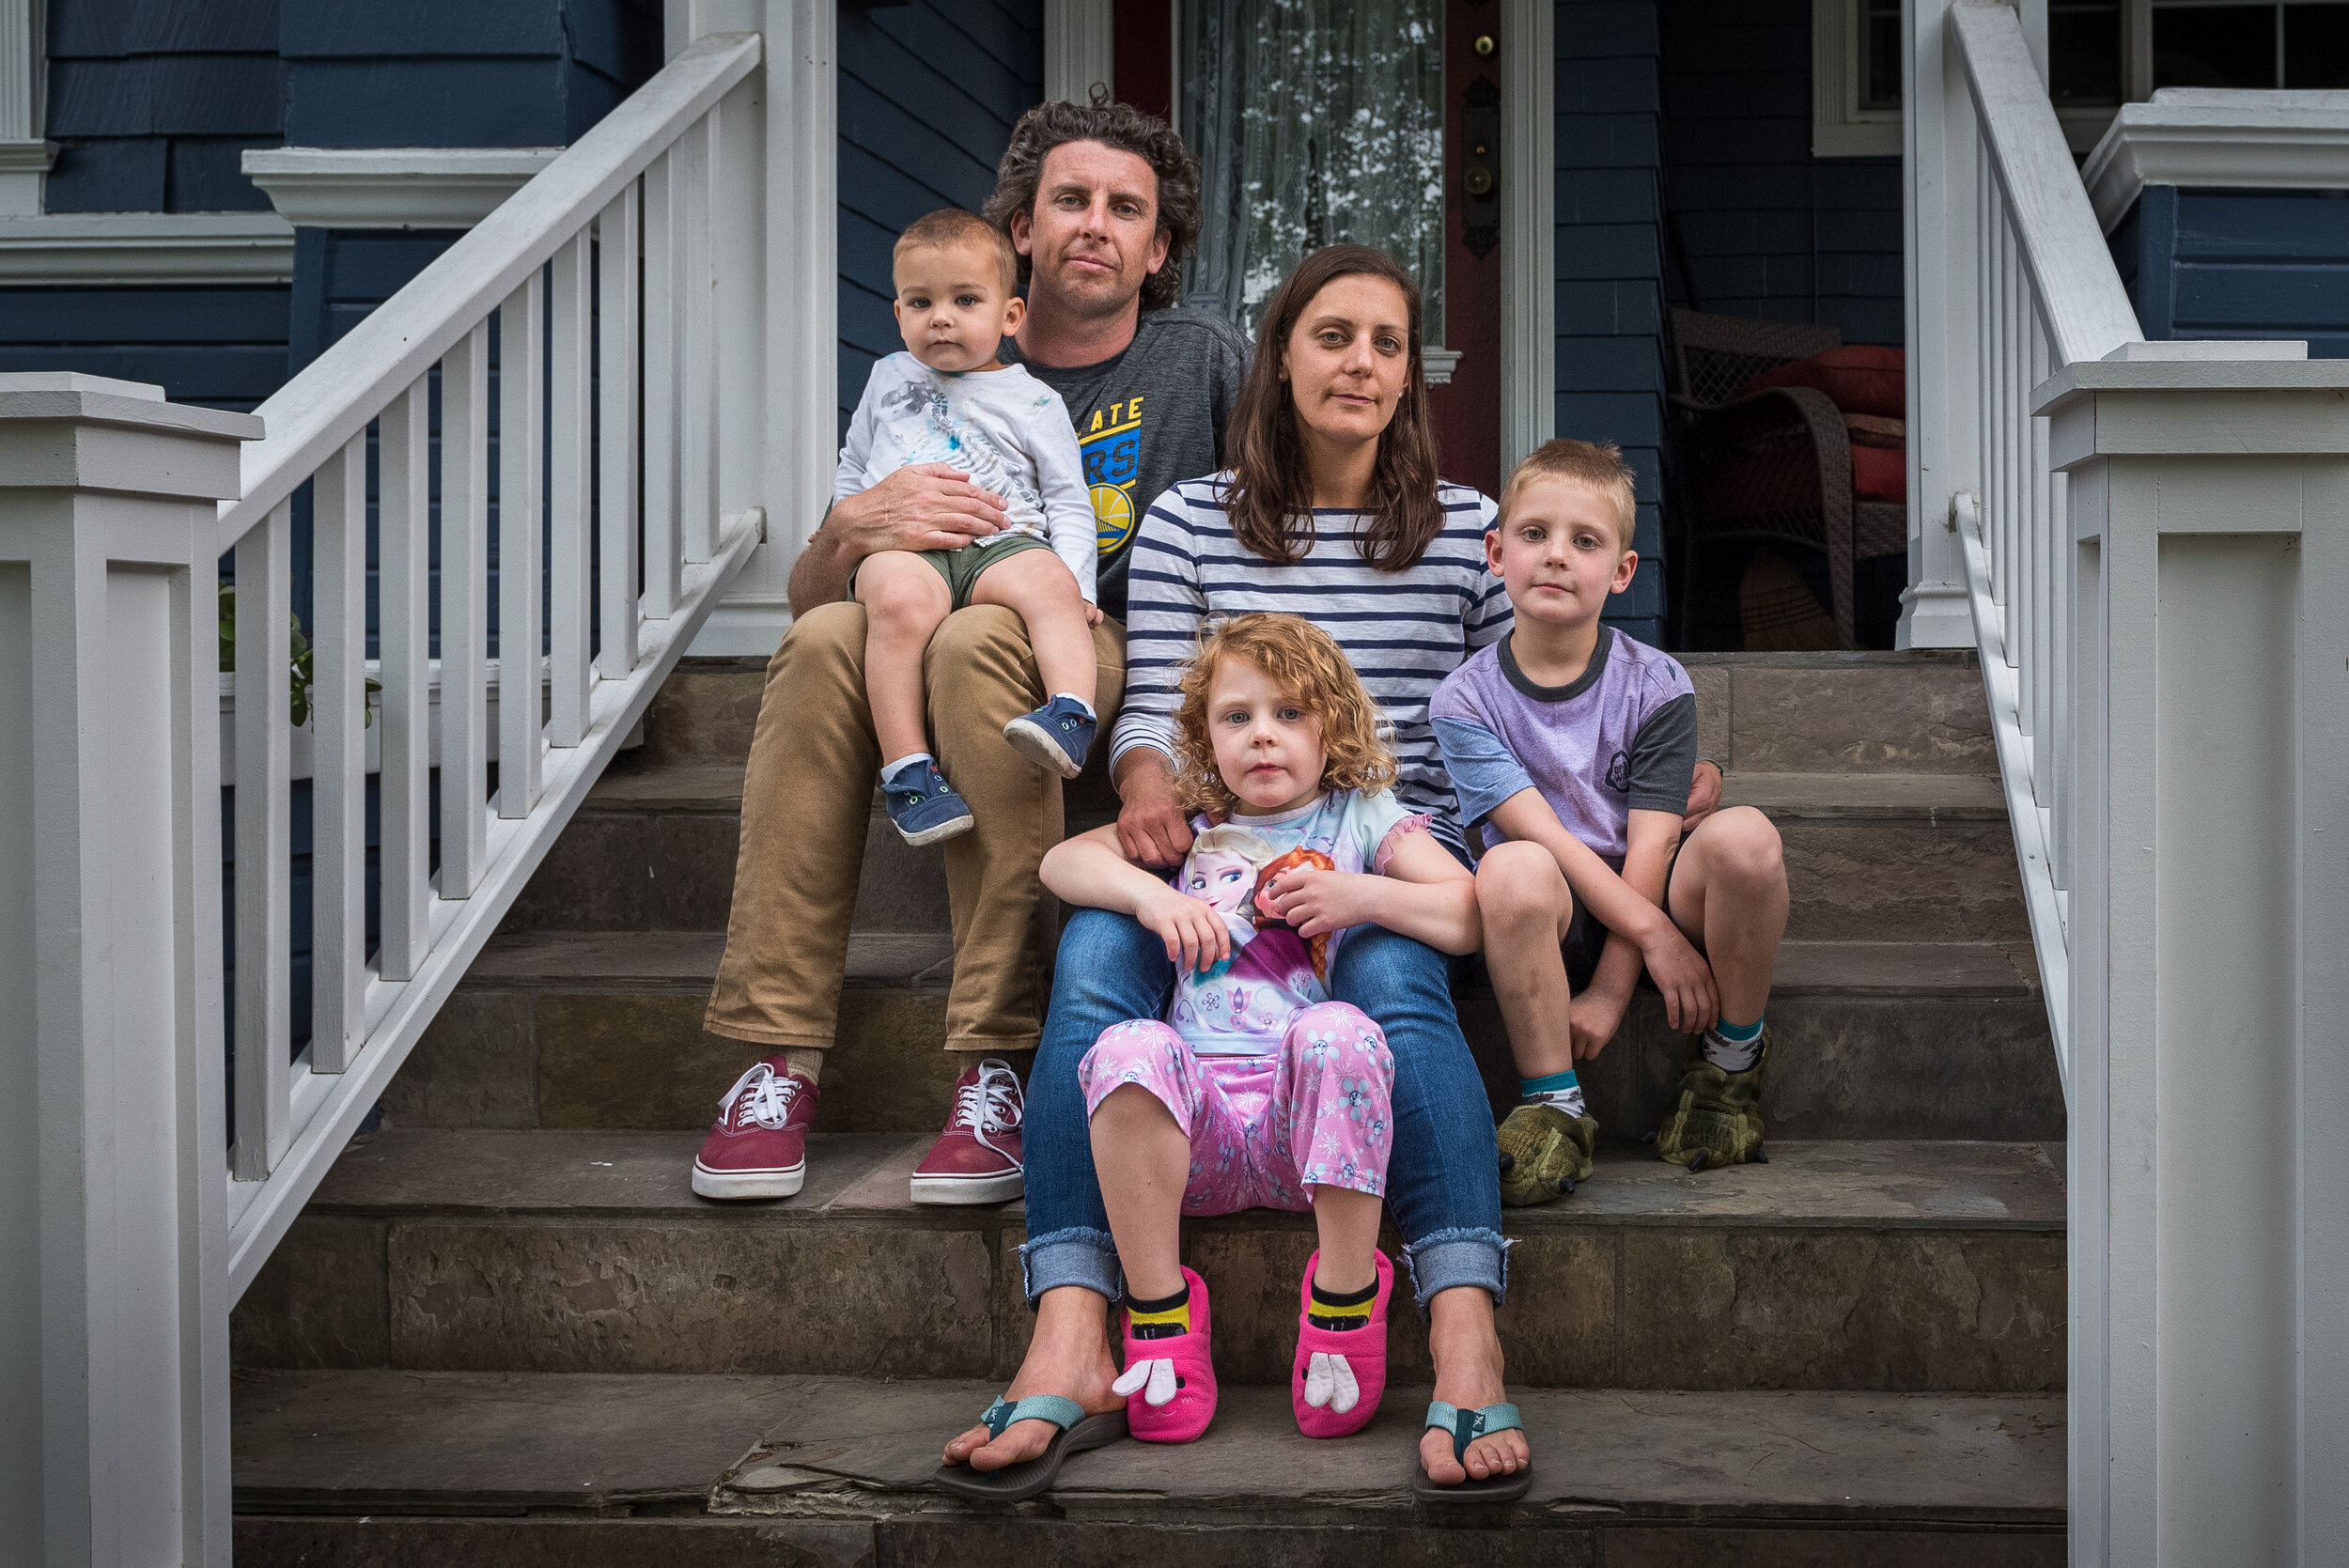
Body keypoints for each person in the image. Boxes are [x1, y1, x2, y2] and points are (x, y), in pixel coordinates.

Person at [940, 243, 1536, 1503]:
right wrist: (1154, 803)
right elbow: (1153, 708)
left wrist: (1650, 777)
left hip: (1393, 843)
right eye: (1332, 336)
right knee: (1100, 951)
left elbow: (1527, 696)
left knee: (1386, 967)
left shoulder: (1470, 529)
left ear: (1408, 376)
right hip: (1220, 838)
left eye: (1386, 342)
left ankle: (1465, 1326)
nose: (1361, 363)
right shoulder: (1191, 519)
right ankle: (1071, 1330)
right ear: (1279, 357)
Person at [693, 100, 1249, 1206]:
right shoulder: (916, 361)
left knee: (983, 637)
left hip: (1081, 643)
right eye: (1070, 201)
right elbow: (813, 590)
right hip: (911, 614)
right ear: (1024, 232)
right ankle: (777, 1055)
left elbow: (1255, 540)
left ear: (1158, 247)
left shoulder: (1200, 359)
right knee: (815, 642)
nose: (1096, 224)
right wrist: (856, 525)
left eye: (1125, 208)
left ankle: (991, 1055)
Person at [1043, 613, 1478, 1448]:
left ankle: (1345, 1299)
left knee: (1340, 1030)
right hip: (1194, 1138)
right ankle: (1162, 1309)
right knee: (1128, 1048)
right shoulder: (1195, 826)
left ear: (1335, 726)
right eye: (1237, 717)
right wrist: (1154, 896)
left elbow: (1465, 911)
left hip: (1307, 1140)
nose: (1263, 737)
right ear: (1205, 738)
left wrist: (1364, 896)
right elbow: (1061, 864)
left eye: (1290, 714)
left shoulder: (1359, 820)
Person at [1430, 439, 1790, 1204]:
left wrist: (1613, 991)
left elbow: (1654, 845)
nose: (1556, 556)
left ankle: (1730, 1066)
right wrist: (1656, 941)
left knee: (1748, 839)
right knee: (1513, 864)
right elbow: (1548, 839)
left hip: (1645, 885)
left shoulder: (1656, 683)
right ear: (1497, 553)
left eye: (1585, 541)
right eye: (1534, 535)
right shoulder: (1464, 701)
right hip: (1542, 913)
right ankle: (1552, 1101)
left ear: (1622, 571)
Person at [842, 209, 1104, 846]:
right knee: (899, 603)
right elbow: (853, 468)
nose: (941, 317)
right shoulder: (887, 377)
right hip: (906, 549)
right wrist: (852, 540)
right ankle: (908, 771)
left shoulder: (1036, 400)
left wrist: (1079, 586)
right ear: (898, 314)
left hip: (1002, 543)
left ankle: (1070, 713)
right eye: (920, 301)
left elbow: (1068, 502)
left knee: (1048, 583)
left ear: (1009, 315)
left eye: (965, 300)